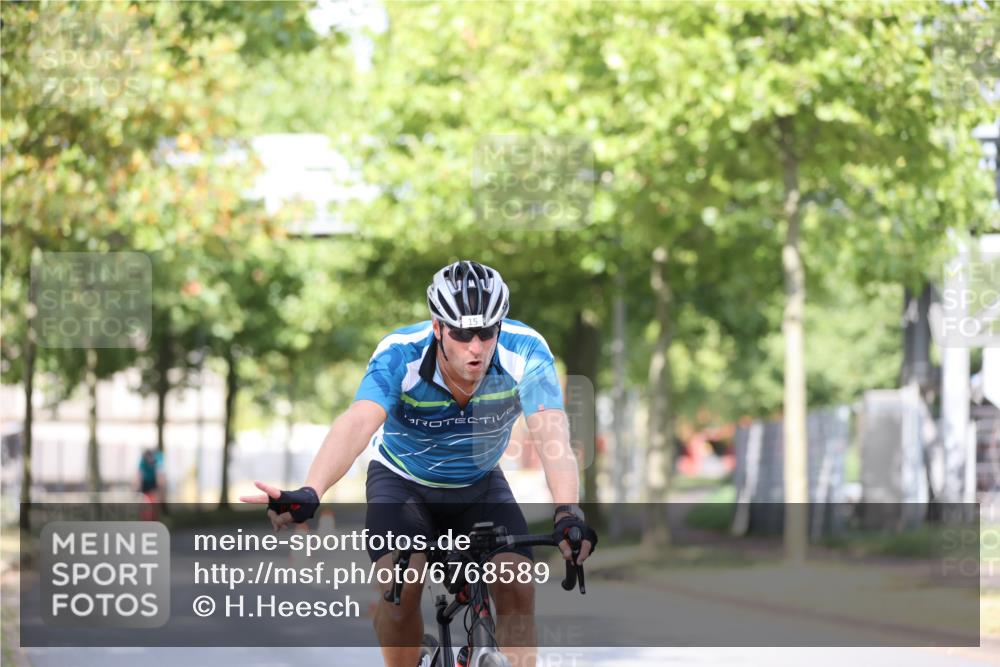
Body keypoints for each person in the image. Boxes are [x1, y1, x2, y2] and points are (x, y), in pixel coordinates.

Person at [241, 260, 597, 667]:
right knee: (400, 590)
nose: (476, 347)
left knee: (517, 584)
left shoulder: (527, 350)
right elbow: (358, 422)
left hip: (478, 482)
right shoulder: (400, 354)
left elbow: (551, 433)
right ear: (437, 327)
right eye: (462, 334)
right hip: (402, 483)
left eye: (487, 332)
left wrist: (567, 511)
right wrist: (311, 490)